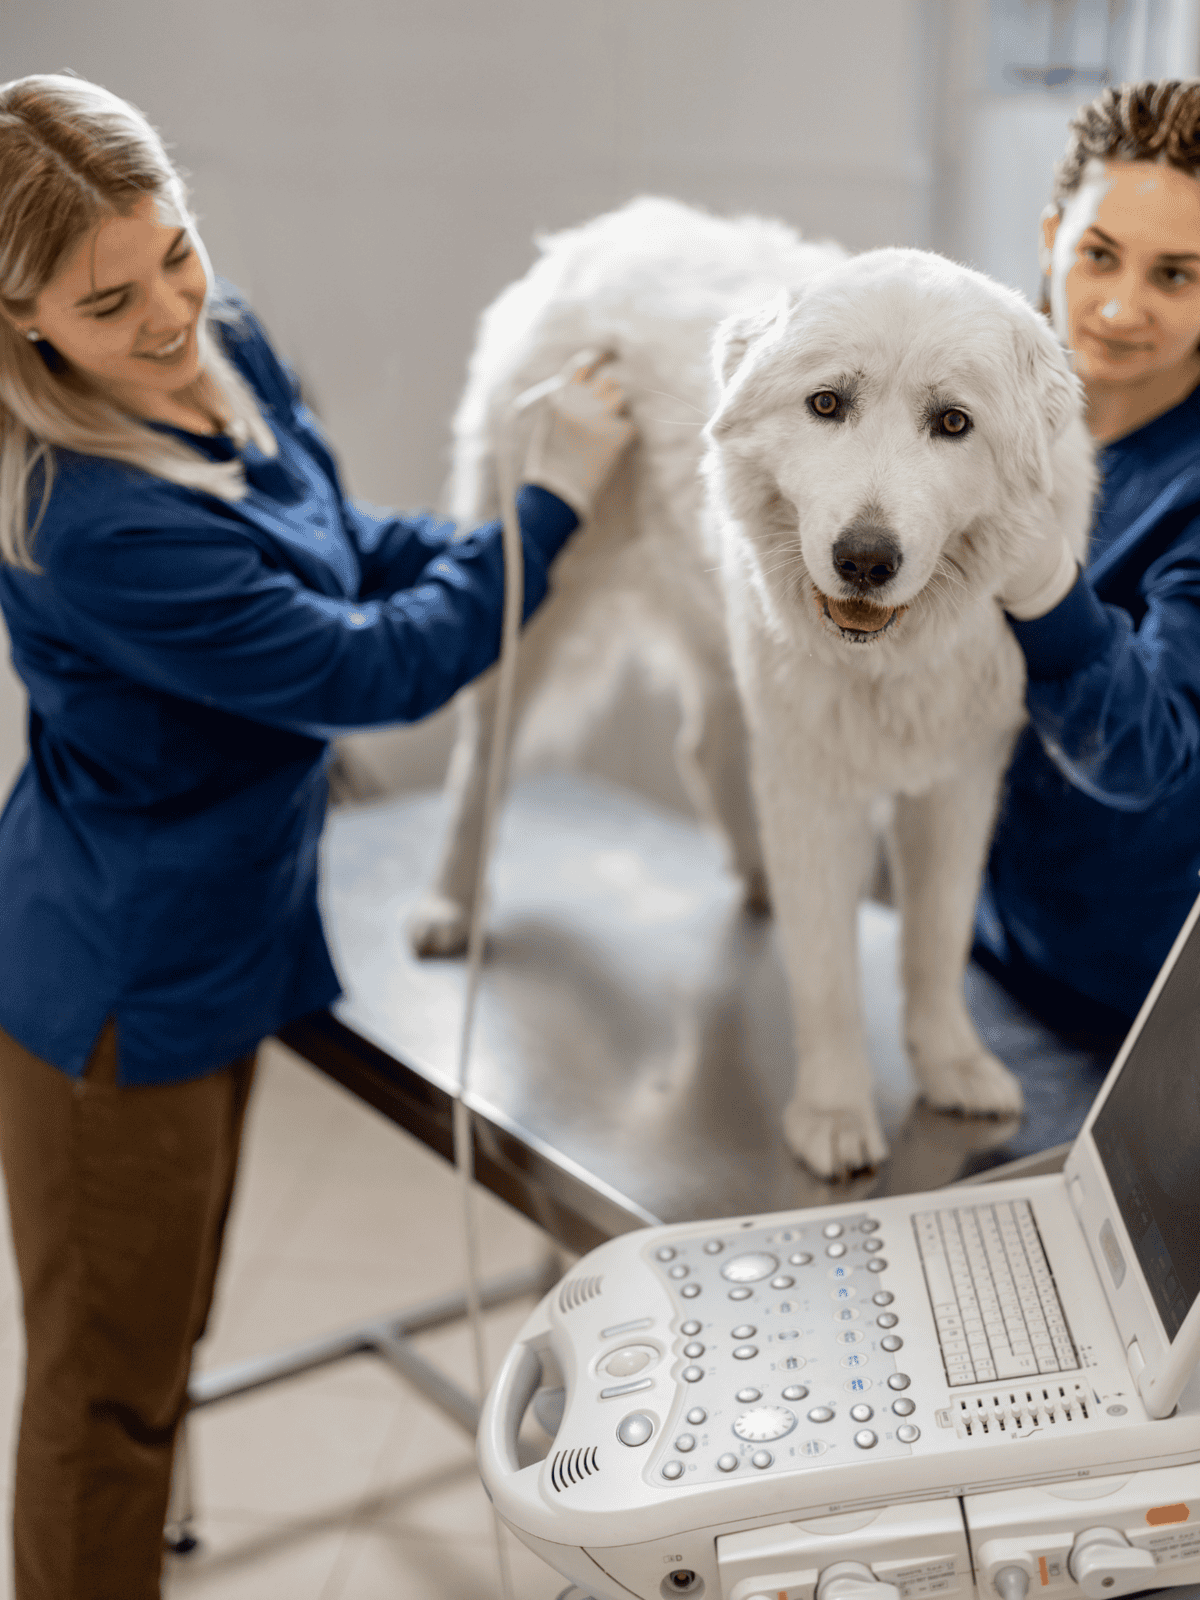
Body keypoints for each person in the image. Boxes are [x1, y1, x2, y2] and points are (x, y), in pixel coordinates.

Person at [0, 72, 635, 1600]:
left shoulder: (224, 347)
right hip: (120, 993)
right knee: (110, 1400)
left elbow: (343, 553)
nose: (169, 309)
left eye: (178, 251)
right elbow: (368, 670)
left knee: (166, 1331)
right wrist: (546, 513)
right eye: (110, 300)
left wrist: (492, 531)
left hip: (235, 924)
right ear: (21, 319)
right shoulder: (91, 519)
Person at [981, 78, 1200, 1043]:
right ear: (1050, 238)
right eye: (1100, 255)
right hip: (980, 948)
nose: (1117, 307)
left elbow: (1149, 753)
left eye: (1175, 274)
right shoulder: (983, 405)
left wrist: (1043, 587)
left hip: (1132, 1005)